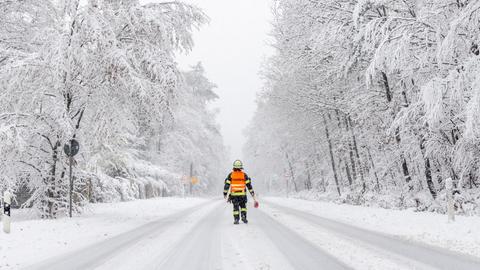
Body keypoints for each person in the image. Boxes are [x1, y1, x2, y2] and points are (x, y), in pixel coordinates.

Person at [223, 160, 256, 224]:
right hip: (242, 195)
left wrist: (225, 193)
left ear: (234, 167)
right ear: (241, 167)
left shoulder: (231, 175)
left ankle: (236, 219)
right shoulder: (244, 175)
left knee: (236, 207)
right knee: (243, 206)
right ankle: (243, 217)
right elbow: (248, 185)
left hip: (234, 195)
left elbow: (227, 185)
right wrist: (252, 193)